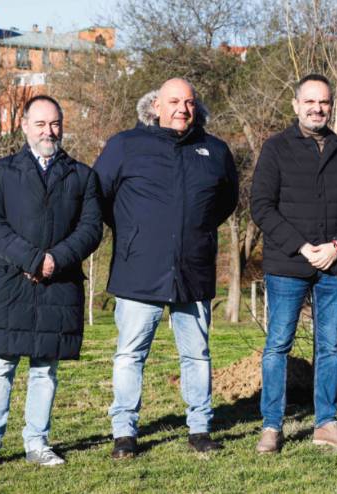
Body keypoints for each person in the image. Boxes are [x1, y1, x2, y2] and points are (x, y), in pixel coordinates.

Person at [94, 78, 238, 458]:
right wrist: (137, 233)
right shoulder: (125, 145)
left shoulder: (215, 150)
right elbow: (100, 198)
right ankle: (124, 432)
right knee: (130, 354)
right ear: (155, 106)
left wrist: (194, 233)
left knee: (197, 355)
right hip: (139, 270)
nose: (182, 109)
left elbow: (224, 203)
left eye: (189, 102)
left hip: (193, 270)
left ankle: (200, 428)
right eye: (174, 101)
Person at [0, 95, 102, 470]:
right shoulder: (1, 172)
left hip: (58, 286)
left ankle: (37, 442)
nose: (50, 131)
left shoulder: (82, 175)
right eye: (41, 124)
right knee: (1, 366)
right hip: (10, 283)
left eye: (56, 123)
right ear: (24, 125)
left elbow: (91, 229)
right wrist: (32, 259)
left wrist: (54, 260)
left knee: (46, 367)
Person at [250, 74, 337, 453]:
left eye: (324, 103)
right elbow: (262, 207)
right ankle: (272, 426)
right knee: (277, 346)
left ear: (331, 106)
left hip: (335, 265)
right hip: (288, 264)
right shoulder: (275, 149)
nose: (318, 109)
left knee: (330, 346)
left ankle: (326, 423)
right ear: (296, 105)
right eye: (311, 102)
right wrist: (303, 247)